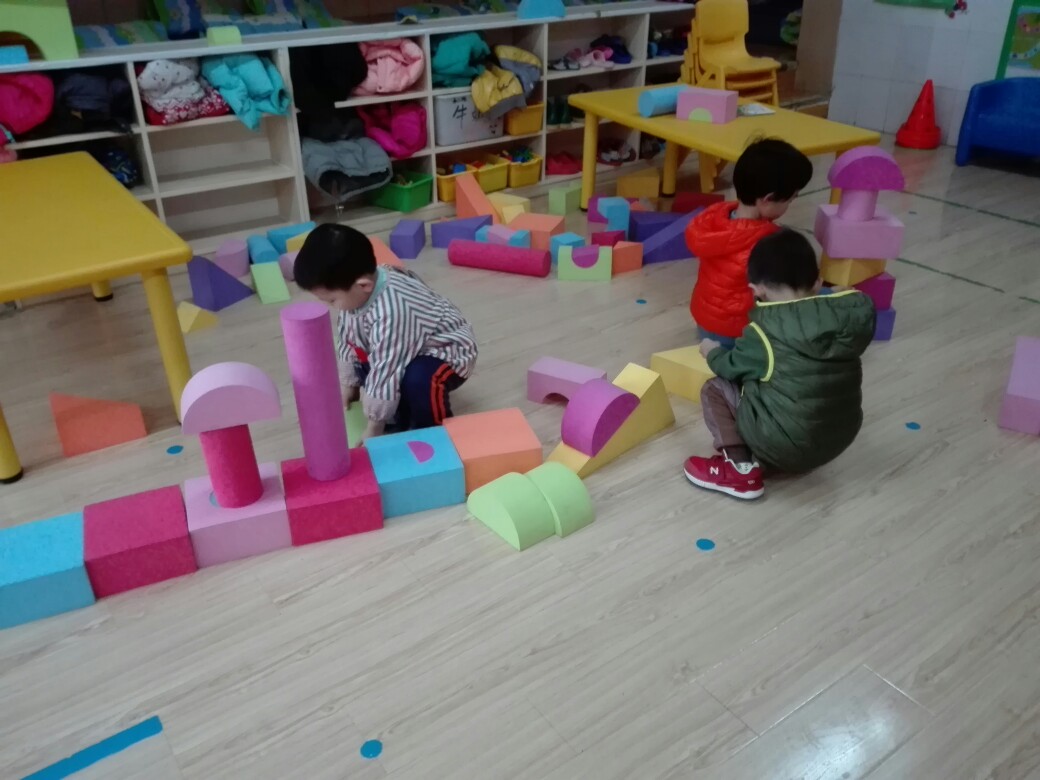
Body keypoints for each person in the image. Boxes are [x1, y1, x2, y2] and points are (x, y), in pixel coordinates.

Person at [684, 229, 876, 500]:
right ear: (818, 282)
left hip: (785, 445)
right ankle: (782, 452)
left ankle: (739, 469)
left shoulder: (764, 332)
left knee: (715, 389)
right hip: (836, 441)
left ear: (756, 289)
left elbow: (729, 366)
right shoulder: (846, 318)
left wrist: (712, 351)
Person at [293, 223, 478, 441]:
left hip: (447, 351)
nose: (330, 306)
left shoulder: (392, 311)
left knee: (418, 381)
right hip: (404, 345)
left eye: (332, 300)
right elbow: (348, 338)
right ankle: (397, 414)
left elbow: (387, 368)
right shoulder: (356, 294)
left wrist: (374, 428)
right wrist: (349, 384)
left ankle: (434, 432)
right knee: (368, 364)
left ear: (363, 285)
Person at [685, 138, 813, 348]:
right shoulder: (767, 242)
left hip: (705, 319)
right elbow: (782, 293)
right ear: (768, 199)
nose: (790, 204)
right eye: (790, 199)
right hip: (736, 332)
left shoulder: (715, 218)